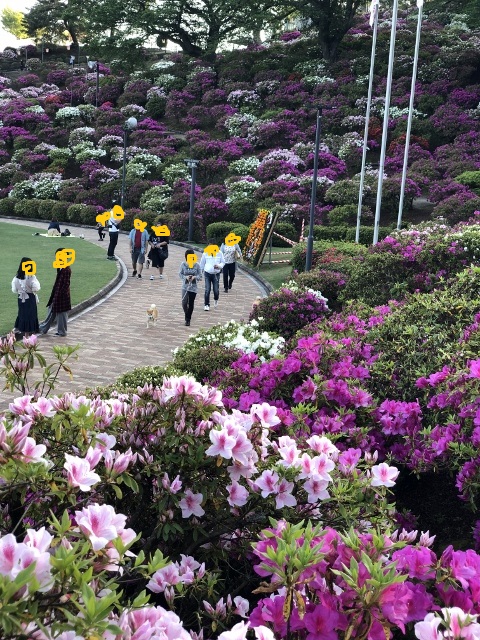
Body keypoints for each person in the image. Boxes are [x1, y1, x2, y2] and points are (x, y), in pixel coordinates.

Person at [39, 248, 72, 337]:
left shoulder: (66, 269)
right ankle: (43, 328)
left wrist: (59, 295)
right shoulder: (60, 266)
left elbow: (66, 284)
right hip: (57, 293)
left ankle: (62, 332)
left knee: (61, 314)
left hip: (62, 296)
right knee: (51, 310)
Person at [11, 257, 41, 337]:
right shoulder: (31, 276)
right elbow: (36, 288)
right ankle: (28, 335)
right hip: (30, 298)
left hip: (20, 298)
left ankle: (19, 328)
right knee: (31, 314)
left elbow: (14, 289)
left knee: (22, 313)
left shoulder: (16, 277)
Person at [179, 250, 202, 326]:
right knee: (184, 302)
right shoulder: (183, 264)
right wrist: (185, 277)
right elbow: (180, 274)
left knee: (191, 303)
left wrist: (194, 277)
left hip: (193, 287)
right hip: (185, 286)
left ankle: (188, 319)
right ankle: (186, 313)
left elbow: (200, 276)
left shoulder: (197, 265)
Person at [199, 244, 225, 311]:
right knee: (207, 289)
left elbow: (223, 262)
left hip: (216, 274)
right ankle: (206, 304)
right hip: (207, 273)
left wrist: (219, 266)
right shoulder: (205, 253)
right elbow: (202, 263)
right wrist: (200, 273)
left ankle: (216, 299)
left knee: (216, 290)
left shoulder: (219, 253)